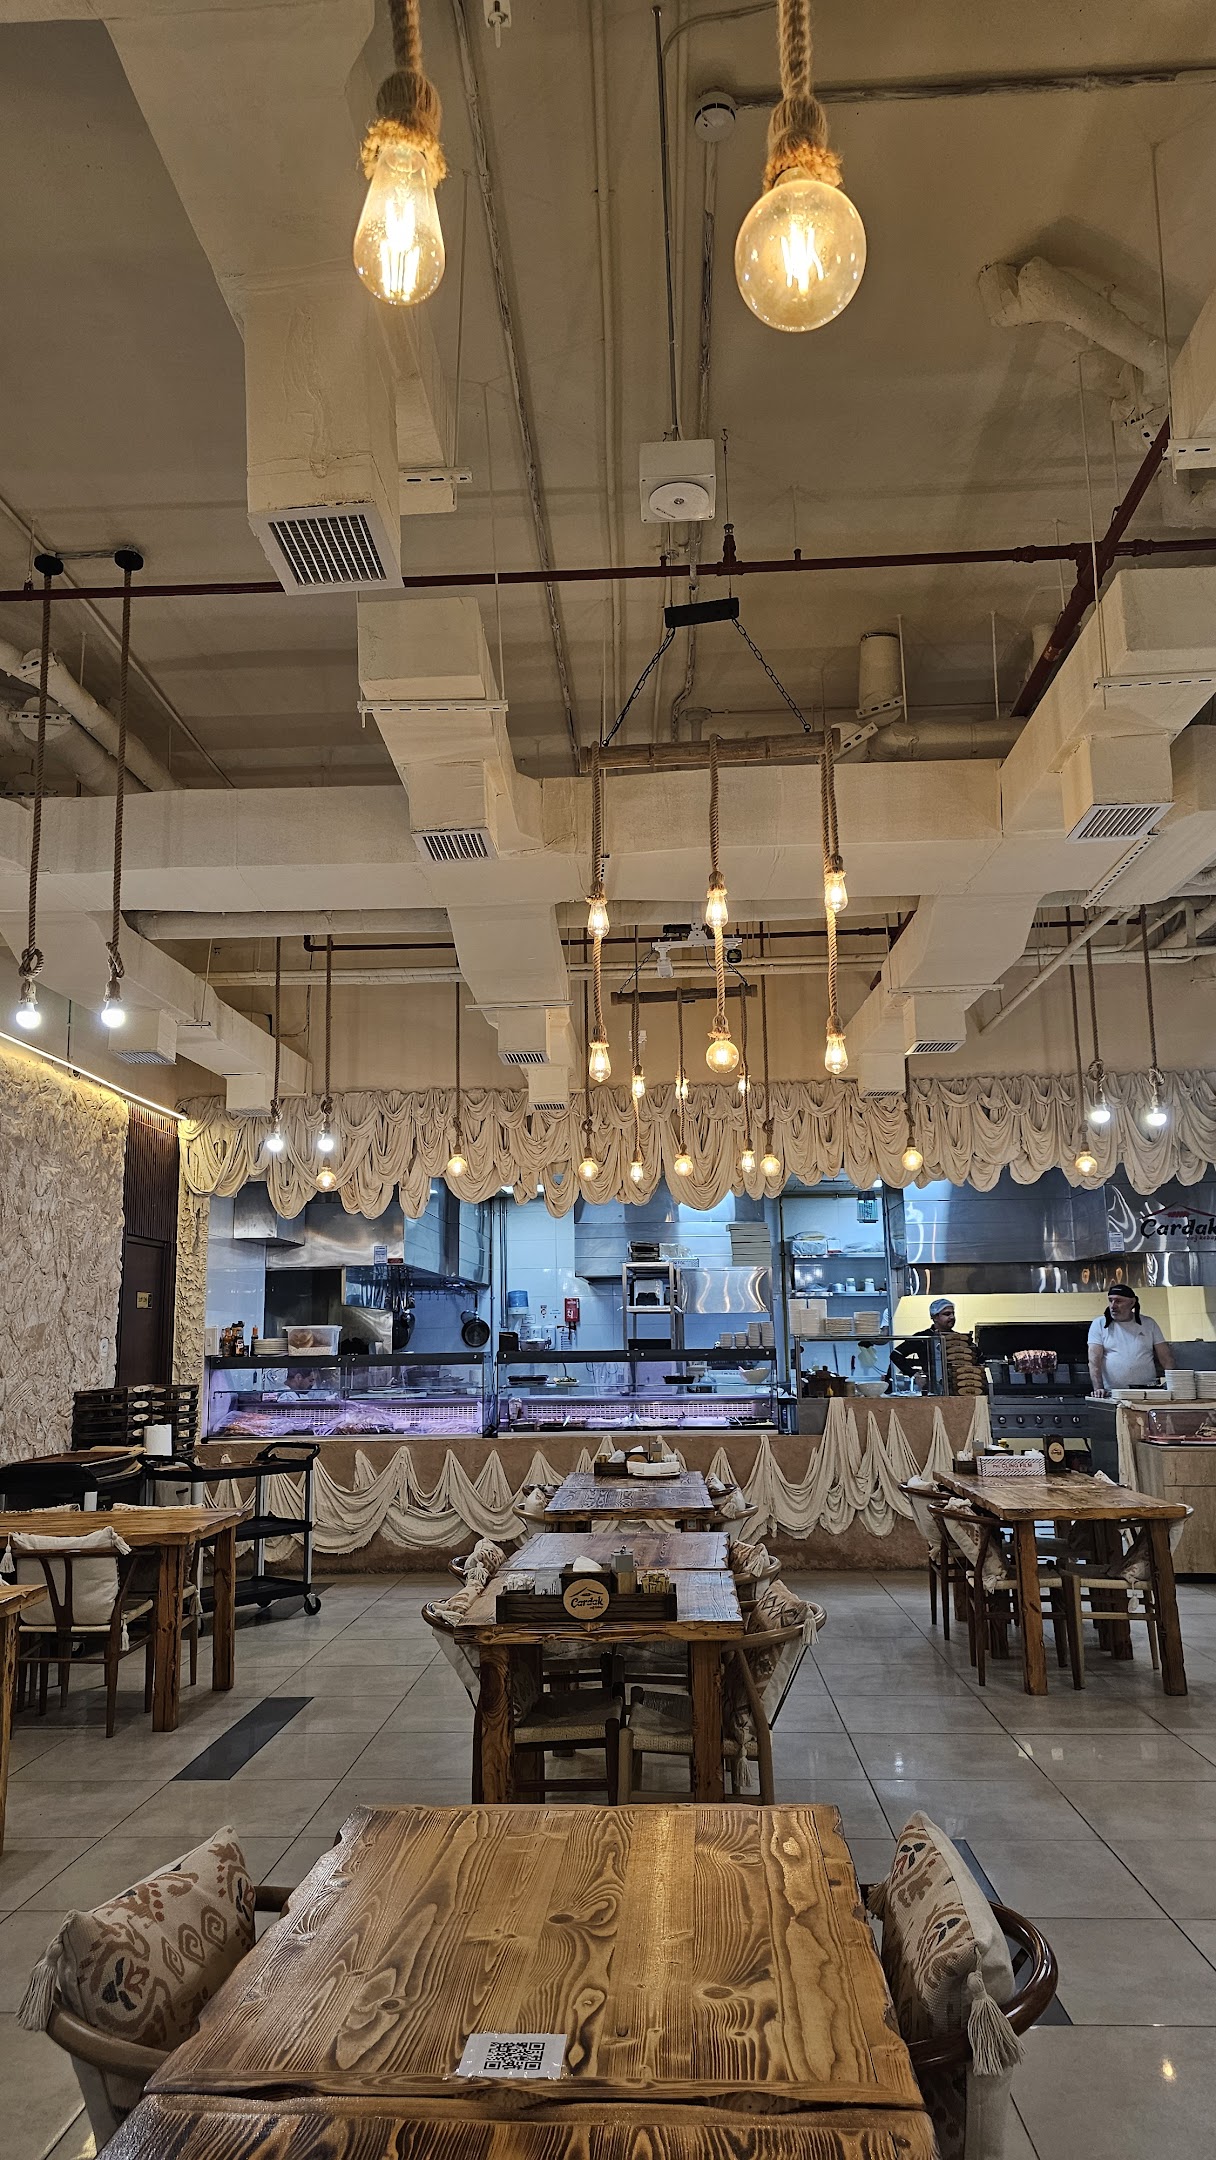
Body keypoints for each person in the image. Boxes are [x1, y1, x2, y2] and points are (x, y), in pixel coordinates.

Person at [1088, 1285, 1174, 1396]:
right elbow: (1094, 1361)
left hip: (1147, 1391)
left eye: (1118, 1301)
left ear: (1132, 1303)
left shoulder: (1148, 1324)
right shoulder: (1099, 1324)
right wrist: (1098, 1388)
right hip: (1113, 1392)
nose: (1113, 1306)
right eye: (1110, 1300)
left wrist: (1174, 1384)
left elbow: (1166, 1358)